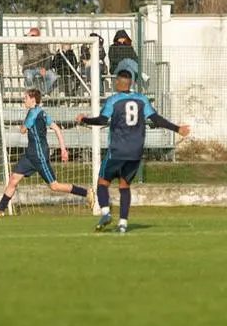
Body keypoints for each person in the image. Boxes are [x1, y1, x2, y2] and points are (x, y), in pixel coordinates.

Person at [76, 64, 190, 233]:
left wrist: (84, 119)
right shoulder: (142, 100)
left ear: (119, 83)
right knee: (124, 186)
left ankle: (106, 213)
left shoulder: (113, 100)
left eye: (116, 82)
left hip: (117, 150)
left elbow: (102, 120)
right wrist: (177, 128)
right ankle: (123, 224)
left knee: (102, 182)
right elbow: (156, 119)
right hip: (135, 152)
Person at [0, 89, 94, 214]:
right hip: (30, 155)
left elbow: (23, 130)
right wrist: (63, 149)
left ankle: (86, 192)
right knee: (13, 179)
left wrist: (63, 149)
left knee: (54, 186)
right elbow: (57, 128)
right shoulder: (41, 112)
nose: (23, 100)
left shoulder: (34, 113)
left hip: (39, 155)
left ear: (33, 99)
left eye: (25, 98)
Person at [19, 27, 56, 94]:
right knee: (29, 77)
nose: (33, 37)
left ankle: (43, 93)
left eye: (35, 35)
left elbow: (48, 55)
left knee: (52, 76)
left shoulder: (42, 43)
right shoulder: (26, 42)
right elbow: (18, 45)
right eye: (32, 35)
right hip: (29, 67)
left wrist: (45, 68)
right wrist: (26, 36)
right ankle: (31, 94)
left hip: (40, 67)